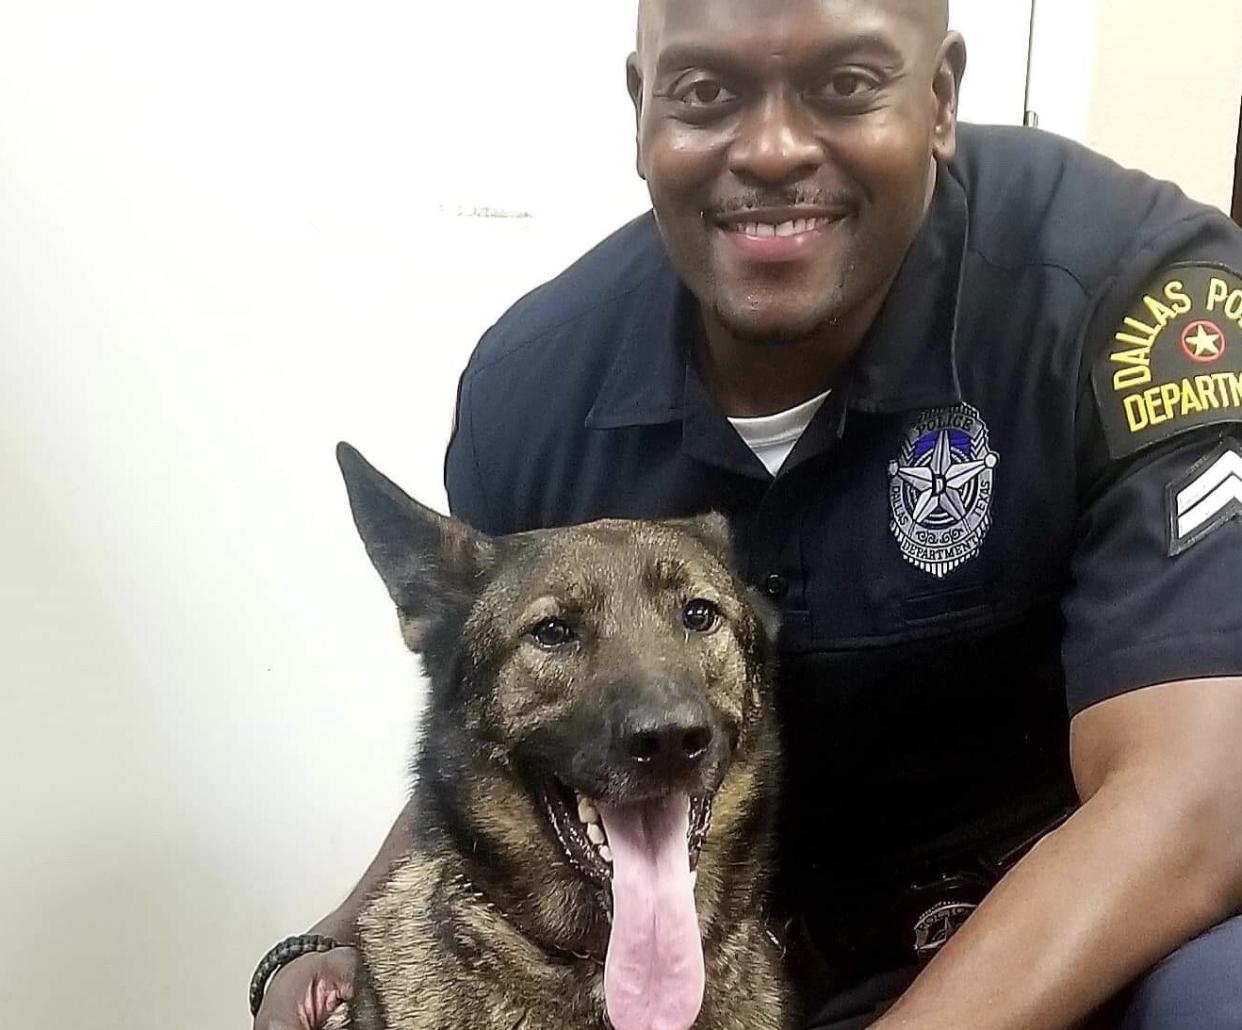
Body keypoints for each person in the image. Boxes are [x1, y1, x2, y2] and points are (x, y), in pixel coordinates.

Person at [251, 1, 1242, 1027]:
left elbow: (1198, 801)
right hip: (709, 955)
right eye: (707, 93)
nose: (770, 150)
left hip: (1053, 948)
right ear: (643, 111)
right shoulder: (532, 385)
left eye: (846, 84)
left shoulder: (1123, 296)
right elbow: (501, 724)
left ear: (940, 95)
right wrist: (335, 938)